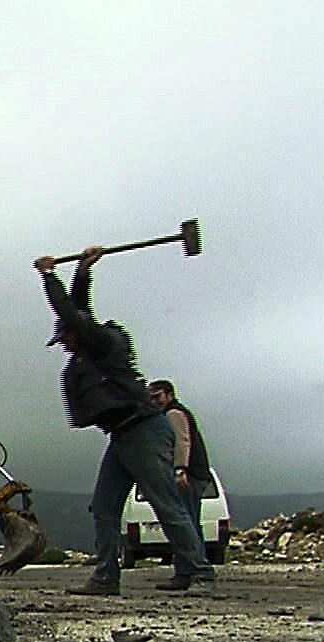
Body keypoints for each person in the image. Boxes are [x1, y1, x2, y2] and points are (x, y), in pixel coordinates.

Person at [35, 245, 215, 594]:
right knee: (103, 506)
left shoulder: (102, 344)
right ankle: (106, 577)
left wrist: (48, 276)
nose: (64, 346)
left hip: (144, 430)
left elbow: (75, 315)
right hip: (121, 436)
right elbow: (80, 311)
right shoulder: (90, 344)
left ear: (75, 334)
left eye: (65, 338)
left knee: (166, 504)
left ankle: (199, 572)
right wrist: (83, 272)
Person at [148, 379, 212, 551]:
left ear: (170, 395)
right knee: (190, 520)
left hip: (190, 475)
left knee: (187, 522)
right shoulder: (174, 413)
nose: (155, 402)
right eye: (151, 398)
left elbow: (182, 441)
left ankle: (195, 564)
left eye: (158, 397)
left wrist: (180, 469)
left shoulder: (174, 414)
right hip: (195, 473)